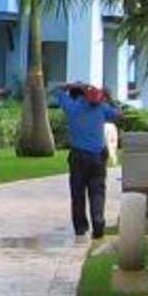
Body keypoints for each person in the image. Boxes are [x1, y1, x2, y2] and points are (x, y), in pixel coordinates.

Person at [55, 81, 123, 239]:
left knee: (78, 193)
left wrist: (71, 85)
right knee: (97, 192)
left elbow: (57, 91)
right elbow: (119, 114)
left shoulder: (71, 107)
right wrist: (108, 97)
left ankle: (80, 227)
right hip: (98, 157)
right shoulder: (101, 108)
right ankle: (98, 222)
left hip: (78, 156)